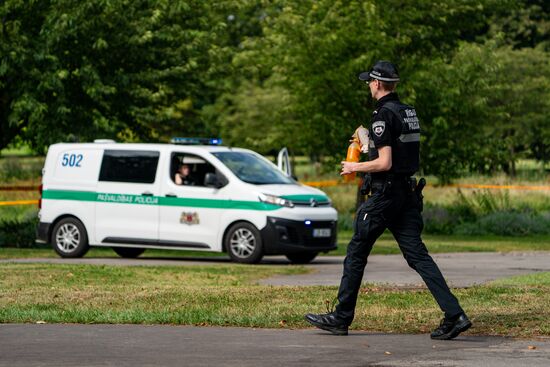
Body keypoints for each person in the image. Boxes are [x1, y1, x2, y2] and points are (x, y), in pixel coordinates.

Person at [305, 61, 471, 340]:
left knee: (356, 251)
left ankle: (341, 317)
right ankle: (455, 315)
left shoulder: (382, 115)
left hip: (385, 196)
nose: (368, 86)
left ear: (378, 83)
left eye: (369, 82)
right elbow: (396, 152)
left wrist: (353, 167)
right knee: (418, 255)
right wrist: (368, 142)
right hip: (405, 195)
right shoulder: (408, 112)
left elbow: (385, 162)